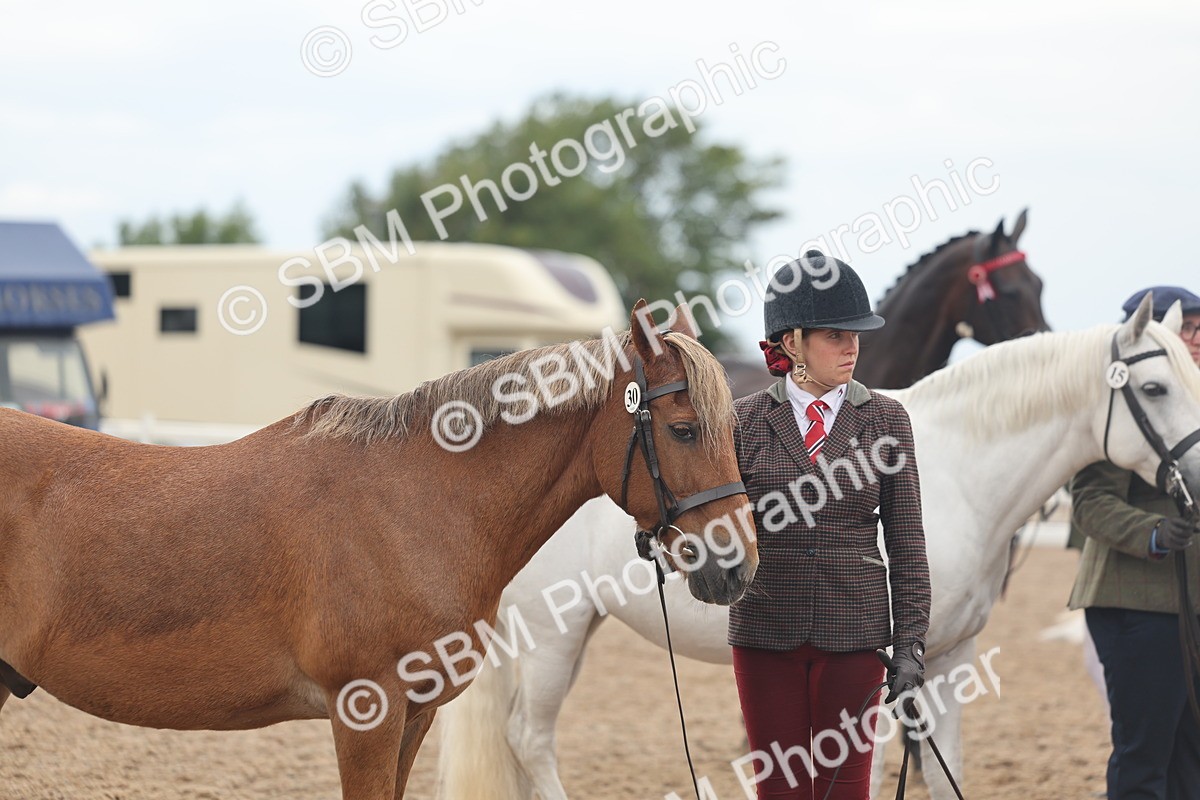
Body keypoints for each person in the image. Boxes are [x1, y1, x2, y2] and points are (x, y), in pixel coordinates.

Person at [730, 250, 932, 799]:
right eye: (835, 335)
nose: (852, 347)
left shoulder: (887, 419)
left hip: (858, 635)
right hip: (765, 632)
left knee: (845, 789)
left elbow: (907, 543)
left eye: (856, 335)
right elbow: (711, 519)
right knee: (781, 789)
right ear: (791, 342)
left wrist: (911, 645)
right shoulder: (742, 421)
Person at [1068, 285, 1200, 800]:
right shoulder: (1127, 406)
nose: (1197, 339)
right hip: (1136, 602)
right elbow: (1090, 501)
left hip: (1190, 604)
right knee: (1145, 755)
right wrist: (1151, 532)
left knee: (1190, 756)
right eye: (1187, 328)